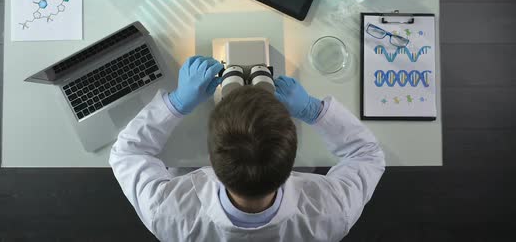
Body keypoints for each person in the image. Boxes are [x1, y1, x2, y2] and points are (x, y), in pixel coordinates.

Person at [110, 56, 385, 241]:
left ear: (210, 160)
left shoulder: (168, 214)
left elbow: (127, 152)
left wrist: (177, 103)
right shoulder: (331, 213)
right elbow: (367, 154)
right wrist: (314, 111)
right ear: (291, 161)